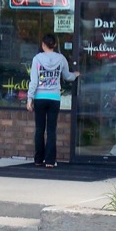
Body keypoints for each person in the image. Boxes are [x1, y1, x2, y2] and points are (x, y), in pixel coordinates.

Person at [26, 33, 79, 168]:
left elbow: (34, 81)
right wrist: (76, 75)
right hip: (54, 98)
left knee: (39, 129)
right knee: (51, 130)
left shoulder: (37, 59)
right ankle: (50, 161)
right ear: (54, 45)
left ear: (43, 45)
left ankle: (38, 159)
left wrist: (29, 98)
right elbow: (67, 76)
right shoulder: (61, 59)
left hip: (39, 98)